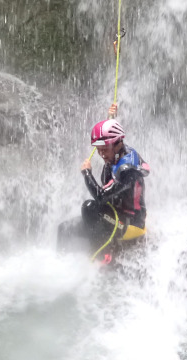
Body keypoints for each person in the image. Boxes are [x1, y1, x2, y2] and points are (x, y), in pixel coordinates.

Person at [58, 104, 150, 263]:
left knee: (89, 207)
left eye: (104, 150)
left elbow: (100, 197)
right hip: (113, 215)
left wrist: (87, 174)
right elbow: (112, 138)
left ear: (117, 144)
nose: (101, 154)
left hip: (131, 223)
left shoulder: (128, 169)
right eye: (98, 150)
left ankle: (102, 255)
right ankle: (59, 263)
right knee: (64, 229)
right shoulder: (117, 151)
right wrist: (111, 119)